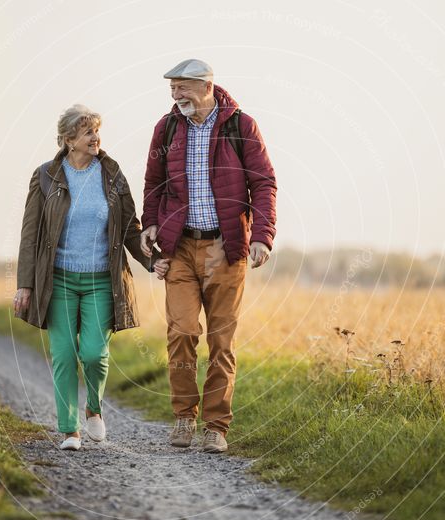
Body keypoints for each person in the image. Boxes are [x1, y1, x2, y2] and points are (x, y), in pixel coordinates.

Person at [14, 104, 170, 451]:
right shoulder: (45, 177)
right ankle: (70, 430)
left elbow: (131, 229)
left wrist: (153, 260)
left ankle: (94, 409)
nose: (95, 138)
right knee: (65, 355)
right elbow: (30, 235)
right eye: (87, 132)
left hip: (102, 279)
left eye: (97, 131)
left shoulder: (112, 176)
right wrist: (25, 284)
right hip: (59, 282)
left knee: (94, 354)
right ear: (69, 140)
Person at [140, 59, 278, 453]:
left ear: (206, 87)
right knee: (181, 331)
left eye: (182, 88)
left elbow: (264, 182)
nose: (175, 96)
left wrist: (262, 236)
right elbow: (153, 183)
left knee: (221, 341)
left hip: (226, 246)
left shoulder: (241, 125)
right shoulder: (166, 128)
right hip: (180, 246)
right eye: (172, 89)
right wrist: (151, 223)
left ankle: (216, 426)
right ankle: (185, 416)